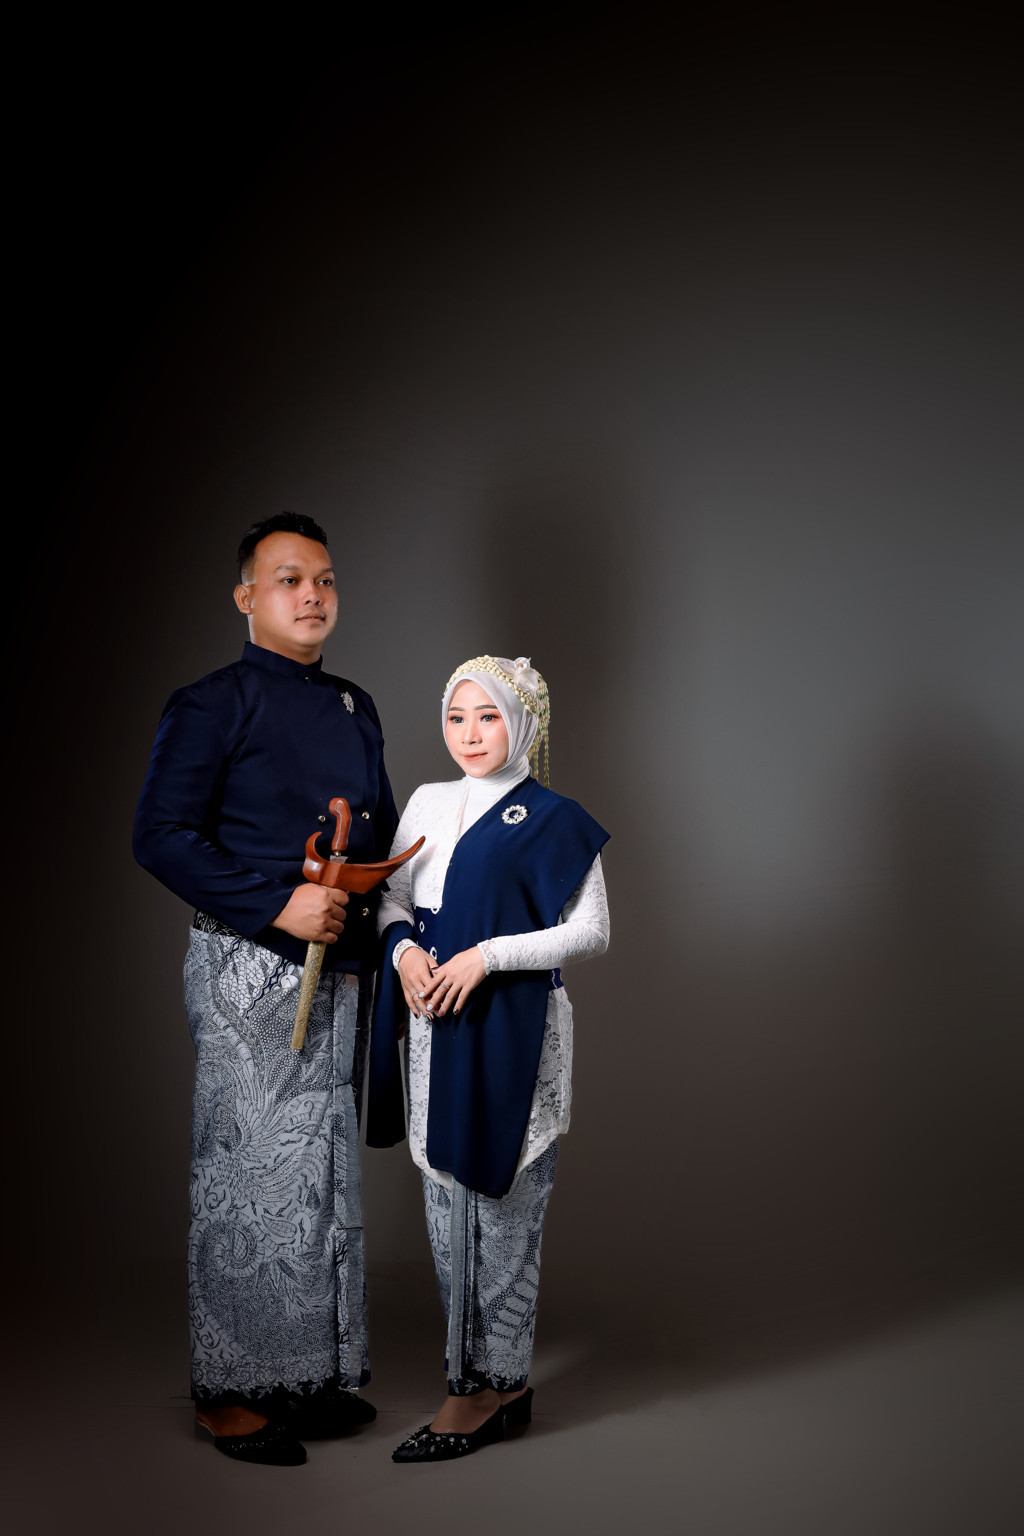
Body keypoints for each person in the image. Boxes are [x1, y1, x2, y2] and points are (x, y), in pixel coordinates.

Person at [133, 511, 397, 1466]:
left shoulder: (357, 707)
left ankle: (304, 1377)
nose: (312, 595)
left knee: (317, 1175)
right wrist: (279, 905)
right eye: (289, 579)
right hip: (249, 964)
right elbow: (160, 835)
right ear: (247, 596)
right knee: (245, 1179)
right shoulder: (211, 703)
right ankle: (229, 1392)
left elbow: (379, 835)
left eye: (324, 579)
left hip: (340, 966)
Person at [367, 654, 610, 1461]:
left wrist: (487, 956)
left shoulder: (555, 816)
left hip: (516, 1018)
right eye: (456, 716)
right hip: (435, 1016)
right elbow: (392, 898)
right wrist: (404, 952)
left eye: (489, 716)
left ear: (524, 723)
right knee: (446, 1198)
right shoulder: (429, 801)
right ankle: (486, 1383)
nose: (469, 734)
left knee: (507, 1199)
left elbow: (592, 930)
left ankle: (485, 1386)